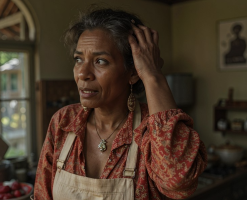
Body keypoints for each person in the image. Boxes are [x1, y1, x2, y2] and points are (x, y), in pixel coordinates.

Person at [33, 8, 207, 200]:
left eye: (100, 61)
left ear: (133, 73)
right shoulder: (63, 122)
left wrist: (152, 75)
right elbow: (42, 195)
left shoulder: (152, 129)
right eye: (78, 59)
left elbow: (177, 182)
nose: (83, 73)